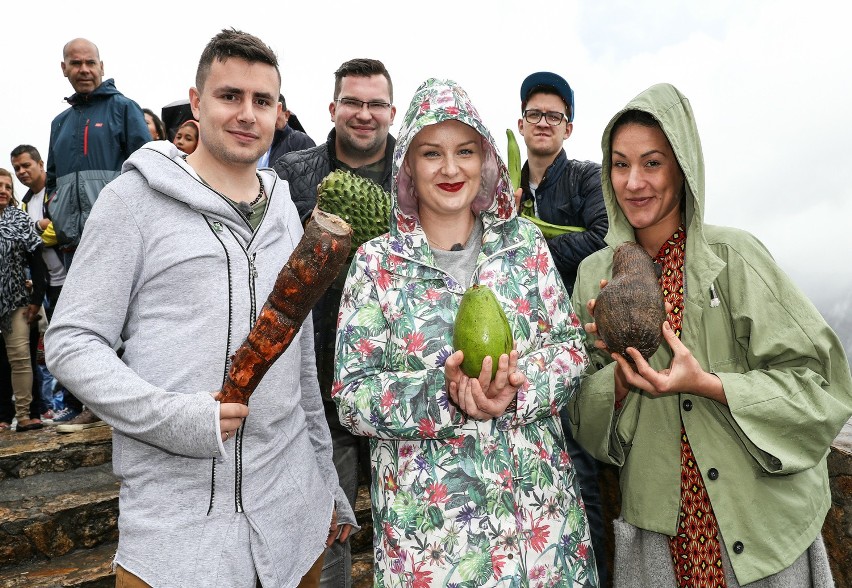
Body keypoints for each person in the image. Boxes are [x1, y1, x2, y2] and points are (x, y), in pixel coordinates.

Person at [45, 28, 355, 587]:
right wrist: (177, 418)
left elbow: (301, 360)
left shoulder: (286, 211)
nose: (247, 114)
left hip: (293, 522)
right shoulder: (133, 201)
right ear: (196, 101)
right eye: (229, 96)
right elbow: (70, 342)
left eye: (262, 101)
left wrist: (327, 484)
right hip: (178, 534)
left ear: (278, 111)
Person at [568, 82, 852, 587]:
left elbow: (824, 387)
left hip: (761, 528)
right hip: (658, 532)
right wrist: (618, 378)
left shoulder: (736, 258)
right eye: (619, 163)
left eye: (652, 163)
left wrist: (709, 384)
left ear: (683, 166)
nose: (633, 182)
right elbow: (578, 420)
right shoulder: (595, 277)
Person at [334, 78, 597, 587]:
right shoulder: (376, 265)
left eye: (465, 151)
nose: (451, 169)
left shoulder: (523, 243)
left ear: (487, 160)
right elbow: (352, 394)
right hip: (434, 549)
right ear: (407, 166)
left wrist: (513, 389)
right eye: (431, 153)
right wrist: (447, 396)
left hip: (543, 536)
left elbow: (569, 351)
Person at [273, 57, 396, 588]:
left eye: (375, 104)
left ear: (392, 111)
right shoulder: (292, 175)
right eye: (353, 102)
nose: (363, 114)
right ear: (332, 107)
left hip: (400, 379)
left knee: (413, 524)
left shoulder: (418, 176)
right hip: (323, 385)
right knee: (331, 528)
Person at [516, 71, 610, 585]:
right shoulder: (505, 186)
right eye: (536, 114)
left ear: (568, 128)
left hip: (576, 340)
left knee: (579, 468)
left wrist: (531, 246)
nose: (544, 123)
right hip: (522, 347)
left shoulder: (585, 179)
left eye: (555, 116)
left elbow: (603, 237)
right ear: (522, 122)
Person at [46, 37, 150, 268]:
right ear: (64, 69)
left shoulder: (124, 108)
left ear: (101, 67)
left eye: (90, 63)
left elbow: (148, 169)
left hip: (116, 239)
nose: (84, 69)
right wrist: (57, 210)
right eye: (75, 63)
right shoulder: (59, 123)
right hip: (71, 244)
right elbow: (51, 180)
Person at [10, 145, 70, 423]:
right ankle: (70, 404)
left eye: (26, 165)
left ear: (40, 163)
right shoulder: (24, 203)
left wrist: (35, 232)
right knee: (59, 348)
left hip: (72, 276)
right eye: (17, 168)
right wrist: (38, 229)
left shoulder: (57, 190)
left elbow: (62, 231)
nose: (22, 172)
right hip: (49, 287)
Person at [0, 168, 47, 432]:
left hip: (16, 303)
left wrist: (37, 299)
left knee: (20, 359)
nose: (4, 190)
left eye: (8, 187)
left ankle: (25, 415)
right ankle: (2, 416)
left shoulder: (20, 219)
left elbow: (37, 262)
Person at [257, 94, 316, 168]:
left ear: (286, 115)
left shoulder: (300, 141)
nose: (270, 119)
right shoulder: (256, 141)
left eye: (275, 113)